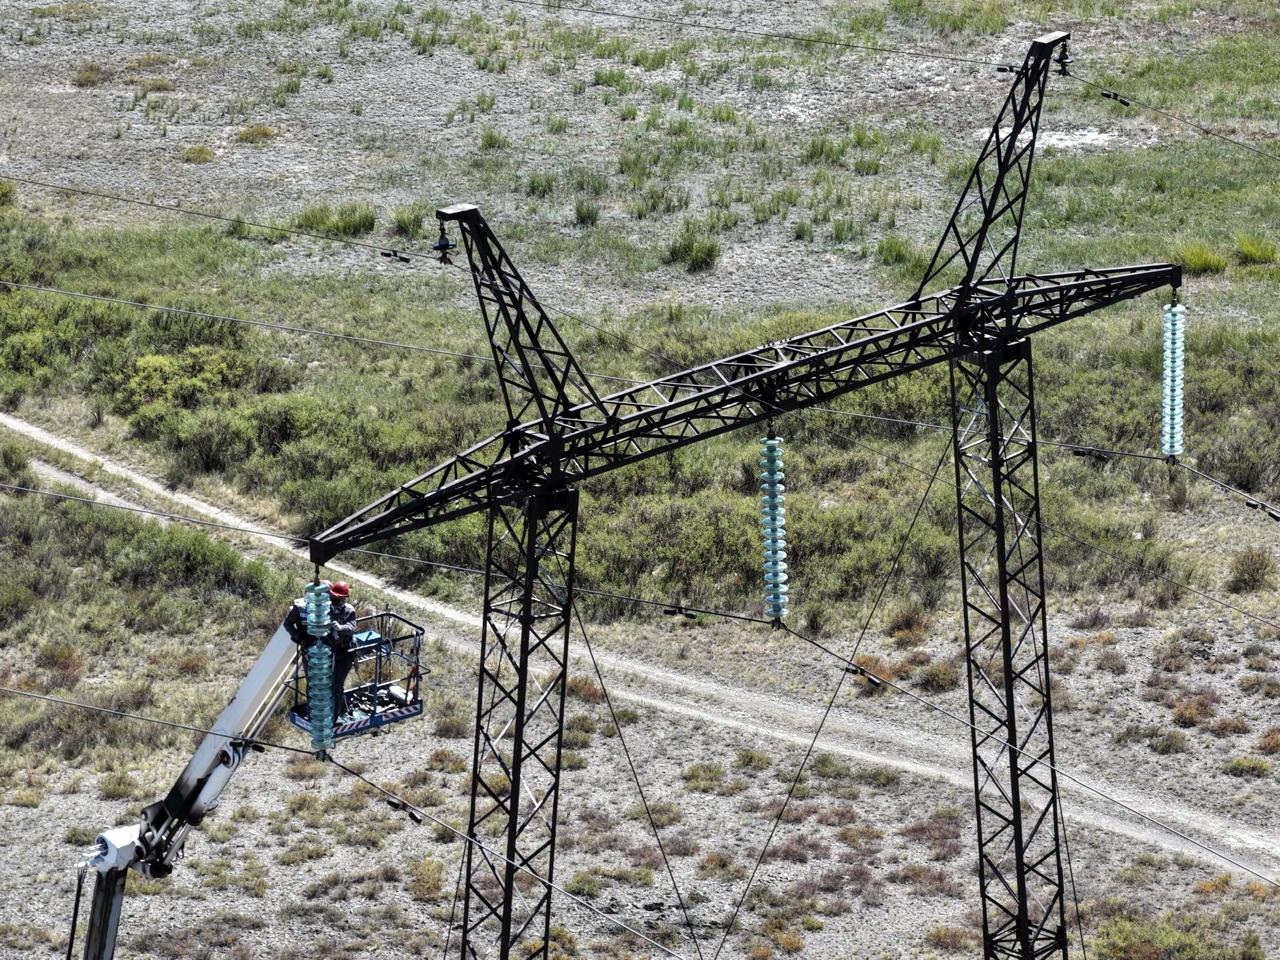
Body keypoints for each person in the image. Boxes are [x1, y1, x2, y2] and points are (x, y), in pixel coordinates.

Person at [328, 582, 358, 720]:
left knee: (336, 684)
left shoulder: (349, 610)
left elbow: (351, 627)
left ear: (343, 599)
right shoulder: (328, 609)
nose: (333, 600)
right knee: (330, 683)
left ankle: (336, 717)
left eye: (336, 598)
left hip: (346, 652)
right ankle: (343, 709)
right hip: (331, 650)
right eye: (332, 597)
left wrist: (340, 627)